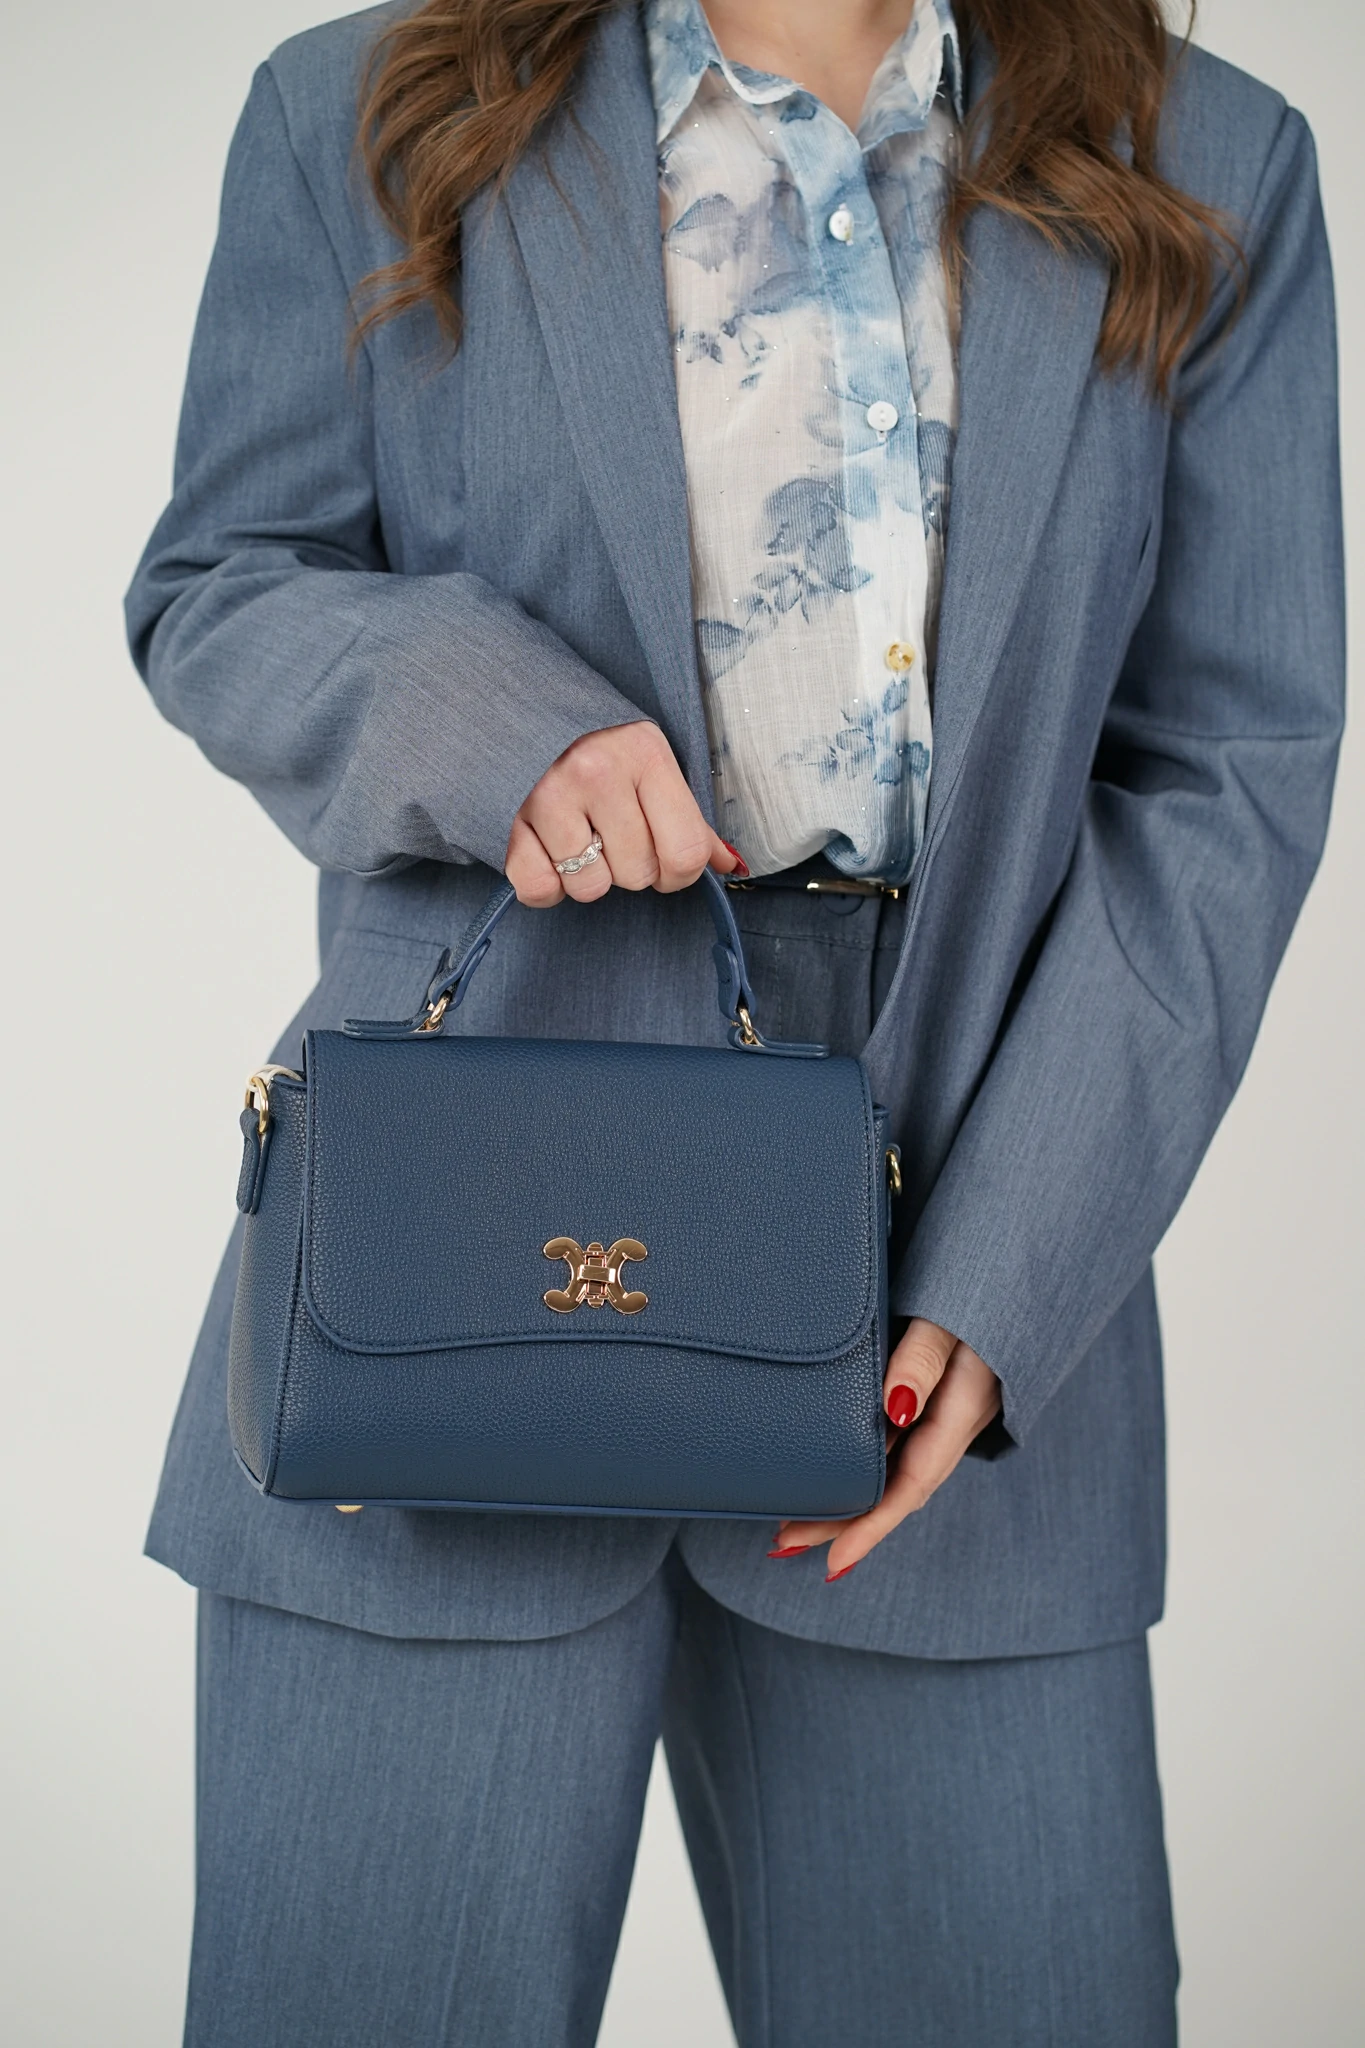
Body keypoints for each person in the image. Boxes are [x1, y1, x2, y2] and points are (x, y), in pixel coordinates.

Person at [125, 0, 1343, 2041]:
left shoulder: (1210, 159)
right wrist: (492, 723)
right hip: (442, 1287)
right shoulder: (362, 107)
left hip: (958, 1312)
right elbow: (222, 580)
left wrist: (1017, 1267)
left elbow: (1227, 764)